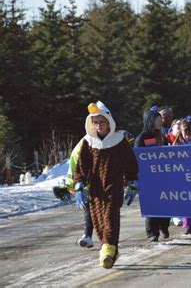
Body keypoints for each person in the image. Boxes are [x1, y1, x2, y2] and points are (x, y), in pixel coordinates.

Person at [74, 101, 139, 269]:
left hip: (113, 186)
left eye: (101, 122)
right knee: (99, 222)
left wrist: (132, 182)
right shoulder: (88, 142)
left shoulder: (119, 140)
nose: (98, 126)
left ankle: (108, 252)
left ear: (109, 122)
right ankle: (111, 251)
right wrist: (79, 185)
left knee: (110, 218)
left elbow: (131, 163)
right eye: (95, 122)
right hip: (95, 189)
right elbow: (81, 166)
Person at [135, 105, 171, 242]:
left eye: (160, 120)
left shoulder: (161, 136)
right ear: (150, 121)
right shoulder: (142, 138)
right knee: (152, 204)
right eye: (157, 120)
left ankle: (164, 227)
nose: (159, 122)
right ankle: (152, 233)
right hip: (148, 178)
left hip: (162, 176)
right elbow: (138, 158)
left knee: (165, 201)